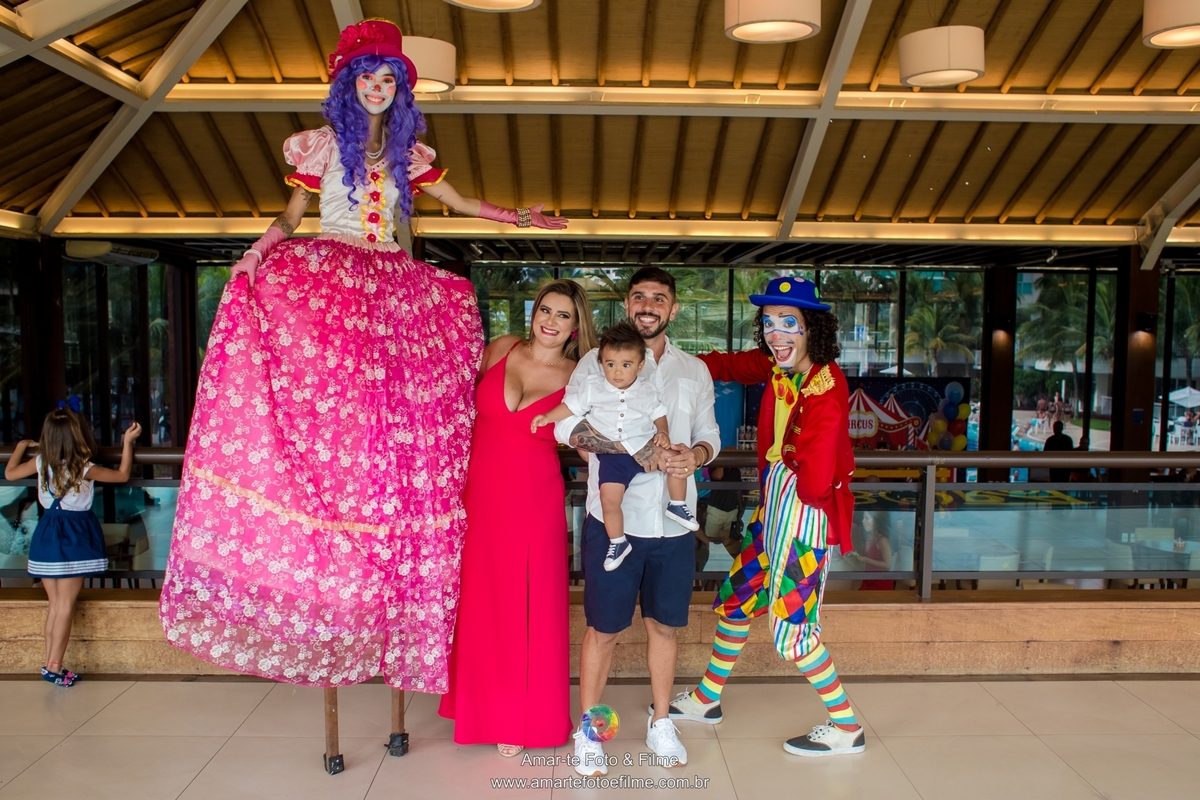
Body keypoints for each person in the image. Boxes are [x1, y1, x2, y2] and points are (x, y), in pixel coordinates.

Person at [159, 19, 563, 692]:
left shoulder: (410, 154)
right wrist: (256, 256)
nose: (378, 89)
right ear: (348, 86)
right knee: (327, 396)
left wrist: (522, 217)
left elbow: (461, 204)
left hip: (395, 285)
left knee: (406, 409)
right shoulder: (320, 147)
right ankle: (319, 501)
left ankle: (383, 525)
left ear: (400, 91)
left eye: (389, 81)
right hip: (333, 279)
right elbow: (291, 218)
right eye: (368, 79)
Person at [669, 276, 864, 758]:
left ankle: (846, 727)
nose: (777, 334)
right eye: (770, 323)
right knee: (737, 598)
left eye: (789, 324)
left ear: (811, 329)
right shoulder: (778, 364)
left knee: (794, 629)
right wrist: (666, 360)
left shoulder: (826, 383)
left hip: (802, 516)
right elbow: (725, 364)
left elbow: (817, 474)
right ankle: (707, 698)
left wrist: (791, 513)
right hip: (772, 509)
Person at [558, 268, 721, 777]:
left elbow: (709, 434)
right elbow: (569, 426)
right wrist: (637, 453)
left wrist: (691, 456)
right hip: (614, 522)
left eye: (659, 298)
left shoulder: (694, 371)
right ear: (629, 305)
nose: (648, 305)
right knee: (602, 630)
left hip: (673, 526)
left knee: (664, 628)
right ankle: (592, 729)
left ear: (673, 310)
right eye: (639, 297)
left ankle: (661, 721)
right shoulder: (592, 360)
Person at [439, 280, 597, 758]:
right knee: (481, 604)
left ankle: (518, 716)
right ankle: (479, 708)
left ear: (575, 326)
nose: (550, 320)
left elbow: (595, 441)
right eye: (544, 310)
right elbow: (448, 407)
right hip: (477, 498)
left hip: (534, 503)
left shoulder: (582, 376)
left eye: (563, 315)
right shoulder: (500, 348)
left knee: (526, 607)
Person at [533, 321, 699, 572]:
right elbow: (571, 409)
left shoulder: (647, 390)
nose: (617, 372)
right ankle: (618, 542)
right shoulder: (592, 387)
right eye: (610, 364)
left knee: (676, 459)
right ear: (602, 364)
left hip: (646, 445)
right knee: (609, 500)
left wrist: (663, 433)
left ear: (640, 366)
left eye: (626, 365)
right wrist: (548, 416)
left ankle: (677, 504)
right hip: (613, 457)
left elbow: (659, 414)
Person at [5, 408, 141, 687]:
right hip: (74, 537)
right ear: (77, 434)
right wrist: (127, 442)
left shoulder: (41, 462)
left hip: (46, 536)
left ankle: (49, 662)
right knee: (66, 605)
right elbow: (122, 475)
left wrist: (20, 448)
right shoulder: (84, 467)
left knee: (55, 605)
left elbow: (9, 474)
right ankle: (54, 667)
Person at [696, 465, 746, 572]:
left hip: (731, 510)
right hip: (716, 510)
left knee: (726, 546)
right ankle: (714, 578)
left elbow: (738, 490)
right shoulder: (715, 467)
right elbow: (718, 476)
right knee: (712, 547)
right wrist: (723, 463)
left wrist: (740, 509)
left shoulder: (735, 470)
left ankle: (716, 577)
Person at [848, 515, 893, 591]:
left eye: (867, 518)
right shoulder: (868, 536)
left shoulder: (882, 540)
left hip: (880, 582)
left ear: (875, 521)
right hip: (868, 579)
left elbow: (888, 564)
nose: (863, 521)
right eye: (863, 518)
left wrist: (866, 560)